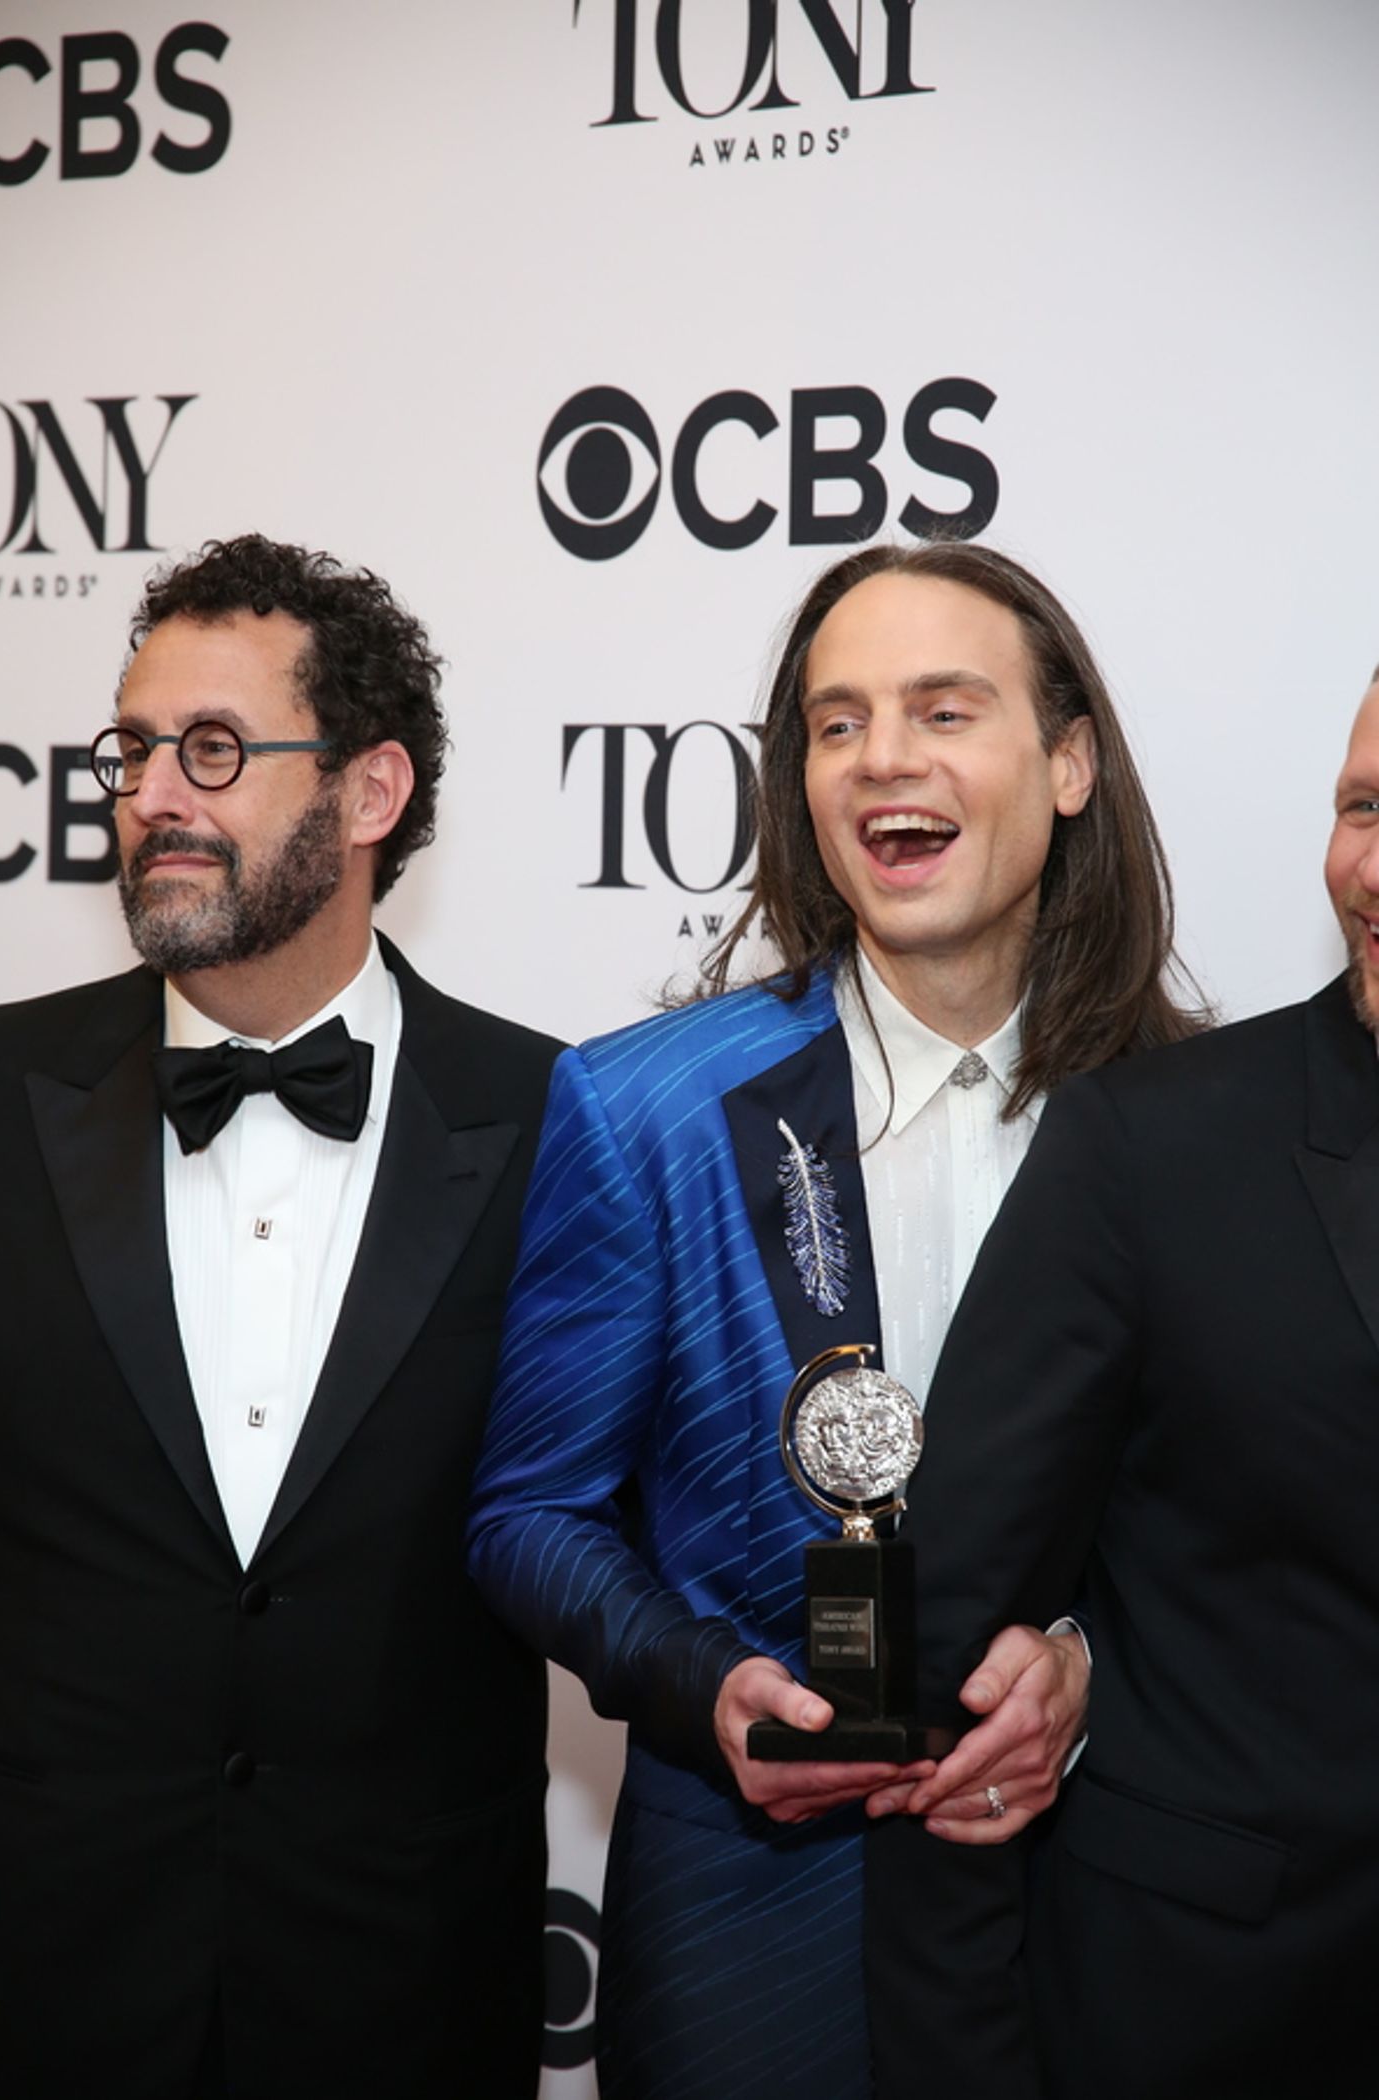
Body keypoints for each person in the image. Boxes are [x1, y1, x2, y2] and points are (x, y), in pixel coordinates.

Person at [468, 540, 1203, 2099]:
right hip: (753, 1926)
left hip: (1107, 1911)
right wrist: (701, 1680)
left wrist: (1085, 1664)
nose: (884, 762)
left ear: (1069, 763)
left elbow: (1249, 1534)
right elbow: (532, 1512)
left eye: (945, 711)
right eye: (836, 720)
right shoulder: (647, 1107)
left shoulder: (1195, 1120)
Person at [0, 535, 560, 2100]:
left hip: (408, 1989)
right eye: (135, 748)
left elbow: (630, 1521)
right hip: (42, 1989)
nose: (153, 792)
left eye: (217, 751)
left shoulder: (562, 1119)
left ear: (369, 795)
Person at [864, 662, 1379, 2100]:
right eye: (1363, 809)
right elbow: (952, 1652)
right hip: (1218, 2020)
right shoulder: (1156, 1146)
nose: (1375, 868)